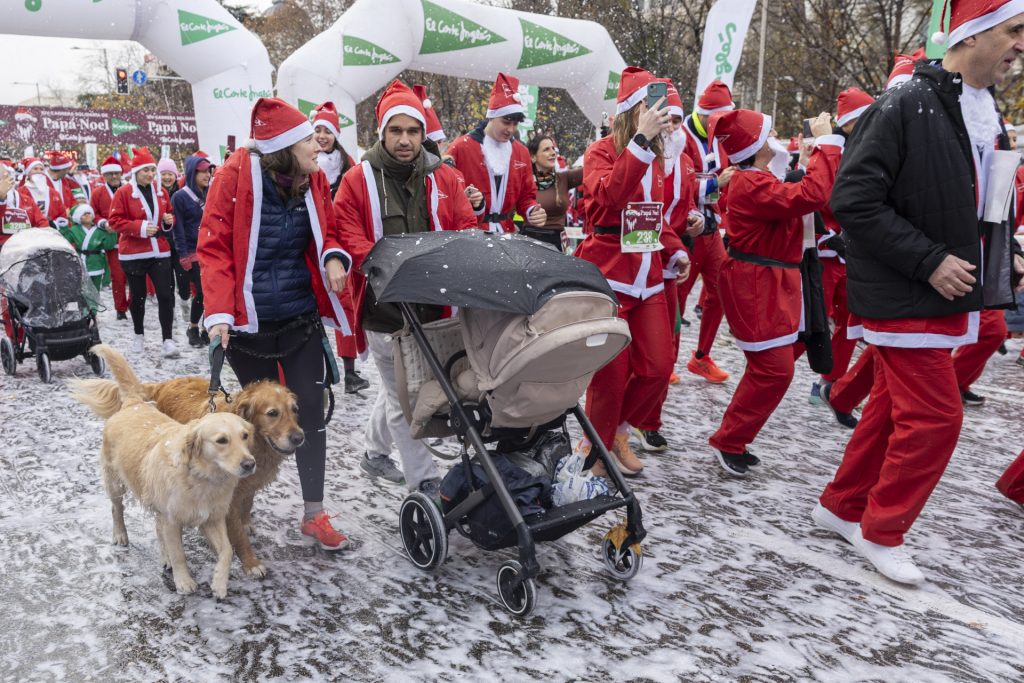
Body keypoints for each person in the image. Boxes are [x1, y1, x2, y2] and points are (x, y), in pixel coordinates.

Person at [815, 2, 1024, 586]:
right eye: (1014, 31)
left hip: (944, 294)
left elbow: (982, 202)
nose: (1021, 45)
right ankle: (882, 530)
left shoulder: (985, 109)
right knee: (936, 417)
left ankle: (841, 506)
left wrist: (1005, 251)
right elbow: (852, 200)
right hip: (905, 292)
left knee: (888, 410)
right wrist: (928, 260)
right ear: (972, 35)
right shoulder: (905, 103)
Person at [199, 97, 353, 551]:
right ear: (284, 148)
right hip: (249, 325)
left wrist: (334, 256)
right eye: (309, 140)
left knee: (308, 410)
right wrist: (219, 314)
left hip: (300, 316)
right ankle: (238, 505)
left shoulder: (315, 178)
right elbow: (213, 247)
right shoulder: (233, 176)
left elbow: (330, 229)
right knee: (258, 420)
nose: (318, 146)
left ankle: (314, 513)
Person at [333, 80, 478, 493]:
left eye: (413, 131)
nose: (405, 140)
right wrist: (394, 268)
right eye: (396, 130)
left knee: (397, 386)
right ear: (382, 132)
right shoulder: (357, 179)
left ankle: (374, 451)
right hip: (385, 309)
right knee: (406, 396)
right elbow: (347, 232)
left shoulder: (444, 177)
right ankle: (424, 481)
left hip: (434, 305)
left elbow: (465, 224)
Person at [707, 110, 842, 475]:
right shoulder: (751, 182)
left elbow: (795, 196)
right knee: (774, 370)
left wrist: (811, 159)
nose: (776, 137)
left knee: (774, 365)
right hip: (757, 284)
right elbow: (811, 195)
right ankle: (729, 439)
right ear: (756, 144)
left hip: (771, 281)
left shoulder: (756, 177)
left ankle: (733, 438)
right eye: (768, 134)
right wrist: (826, 143)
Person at [575, 66, 690, 476]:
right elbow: (609, 198)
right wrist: (640, 142)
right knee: (610, 375)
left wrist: (675, 250)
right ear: (632, 110)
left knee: (658, 367)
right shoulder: (601, 151)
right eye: (650, 106)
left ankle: (619, 431)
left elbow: (651, 216)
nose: (660, 115)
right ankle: (595, 448)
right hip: (608, 274)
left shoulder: (656, 155)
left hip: (648, 275)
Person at [631, 78, 704, 452]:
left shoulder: (687, 162)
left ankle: (647, 420)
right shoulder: (641, 156)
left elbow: (687, 205)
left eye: (677, 120)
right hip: (639, 260)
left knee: (668, 348)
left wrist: (695, 219)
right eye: (667, 118)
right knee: (633, 350)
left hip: (672, 263)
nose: (672, 127)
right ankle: (617, 421)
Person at [807, 87, 876, 406]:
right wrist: (829, 237)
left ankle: (830, 382)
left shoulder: (869, 148)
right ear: (849, 123)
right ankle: (772, 374)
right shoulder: (830, 149)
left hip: (852, 255)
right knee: (812, 324)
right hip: (824, 254)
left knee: (851, 322)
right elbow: (818, 197)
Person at [678, 80, 735, 384]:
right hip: (687, 228)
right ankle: (664, 359)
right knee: (677, 296)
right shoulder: (681, 136)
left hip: (711, 228)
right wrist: (715, 183)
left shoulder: (719, 137)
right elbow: (678, 184)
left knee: (722, 290)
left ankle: (701, 356)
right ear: (705, 114)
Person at [312, 100, 368, 394]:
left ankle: (349, 372)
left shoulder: (349, 166)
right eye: (318, 130)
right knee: (312, 310)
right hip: (311, 245)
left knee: (346, 307)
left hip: (340, 247)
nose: (322, 137)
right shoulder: (304, 162)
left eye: (328, 132)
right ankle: (318, 372)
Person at [447, 72, 546, 233]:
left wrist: (533, 211)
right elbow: (448, 193)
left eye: (515, 124)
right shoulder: (461, 147)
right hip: (471, 232)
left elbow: (526, 196)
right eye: (506, 122)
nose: (511, 130)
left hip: (506, 232)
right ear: (492, 117)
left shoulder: (521, 152)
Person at [108, 147, 179, 358]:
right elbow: (114, 221)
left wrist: (168, 221)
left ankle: (167, 340)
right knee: (138, 297)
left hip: (159, 251)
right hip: (134, 253)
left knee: (165, 295)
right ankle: (138, 334)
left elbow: (168, 215)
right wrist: (139, 227)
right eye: (145, 170)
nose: (150, 174)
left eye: (152, 170)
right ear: (136, 172)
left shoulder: (161, 192)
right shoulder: (123, 193)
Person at [171, 154, 213, 348]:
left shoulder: (211, 192)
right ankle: (193, 327)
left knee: (212, 292)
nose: (207, 175)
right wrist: (183, 254)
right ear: (191, 173)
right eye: (202, 171)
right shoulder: (180, 197)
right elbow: (178, 228)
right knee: (202, 292)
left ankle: (206, 328)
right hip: (193, 250)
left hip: (212, 249)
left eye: (209, 171)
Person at [525, 134, 584, 248]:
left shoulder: (563, 178)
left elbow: (592, 167)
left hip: (557, 242)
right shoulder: (523, 181)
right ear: (533, 157)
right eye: (546, 149)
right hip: (529, 241)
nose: (553, 153)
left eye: (553, 148)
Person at [91, 156, 131, 320]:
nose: (114, 176)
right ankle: (120, 309)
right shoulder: (98, 193)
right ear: (104, 175)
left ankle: (134, 303)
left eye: (117, 173)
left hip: (130, 238)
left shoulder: (130, 190)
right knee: (118, 276)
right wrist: (103, 223)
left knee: (134, 275)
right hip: (112, 240)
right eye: (110, 174)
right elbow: (93, 214)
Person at [158, 157, 191, 321]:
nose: (167, 177)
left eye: (170, 174)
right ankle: (169, 312)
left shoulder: (182, 192)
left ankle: (185, 302)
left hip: (180, 244)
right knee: (166, 283)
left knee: (184, 280)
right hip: (162, 244)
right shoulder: (155, 194)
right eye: (163, 174)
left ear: (175, 175)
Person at [20, 157, 67, 226]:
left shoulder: (54, 193)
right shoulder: (21, 192)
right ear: (28, 172)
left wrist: (54, 224)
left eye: (41, 169)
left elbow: (62, 215)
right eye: (35, 169)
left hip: (51, 231)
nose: (39, 171)